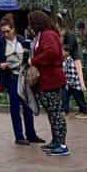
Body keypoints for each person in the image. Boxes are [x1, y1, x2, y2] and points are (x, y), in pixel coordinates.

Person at [0, 15, 43, 146]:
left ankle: (31, 134)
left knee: (28, 106)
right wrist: (0, 65)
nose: (6, 34)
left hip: (24, 77)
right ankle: (19, 136)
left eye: (8, 31)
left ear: (13, 29)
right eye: (4, 32)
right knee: (14, 108)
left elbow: (32, 55)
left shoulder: (22, 41)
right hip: (11, 78)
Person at [27, 9, 68, 155]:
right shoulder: (44, 34)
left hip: (50, 78)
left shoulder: (48, 35)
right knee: (52, 112)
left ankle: (61, 144)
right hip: (47, 79)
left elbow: (52, 52)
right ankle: (56, 140)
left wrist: (34, 60)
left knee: (55, 112)